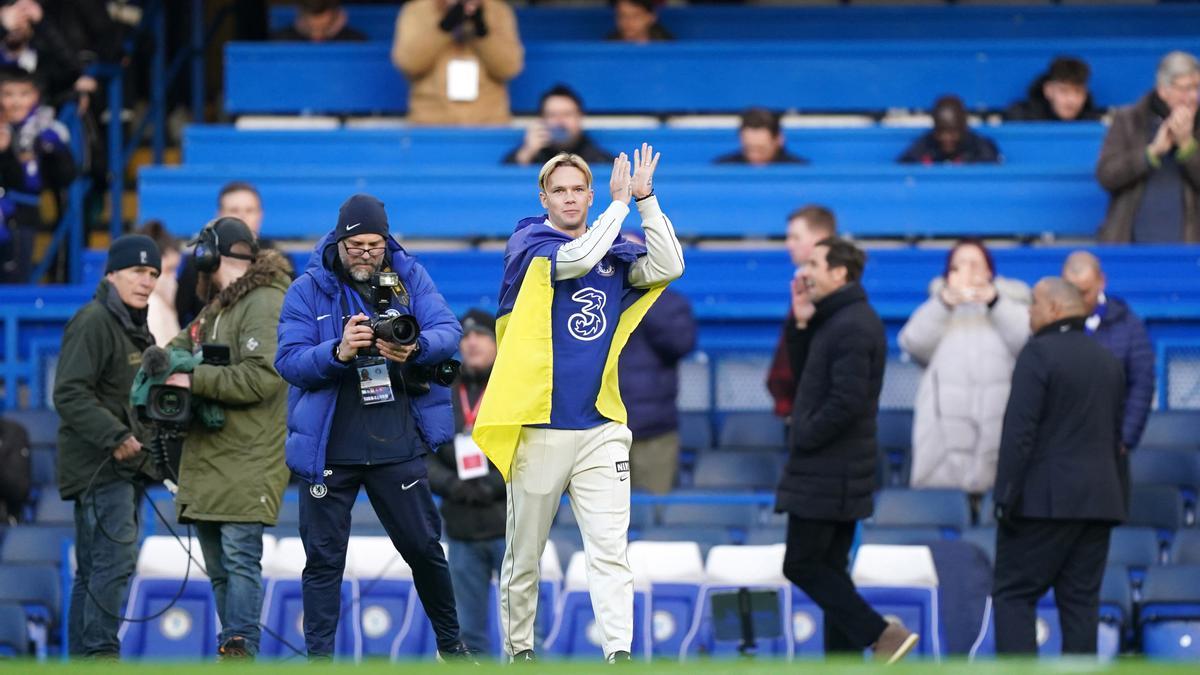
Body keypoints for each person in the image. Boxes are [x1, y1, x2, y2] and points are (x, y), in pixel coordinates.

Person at [472, 145, 684, 663]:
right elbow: (577, 258)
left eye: (577, 189)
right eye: (559, 190)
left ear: (588, 194)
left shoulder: (614, 250)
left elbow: (669, 265)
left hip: (599, 427)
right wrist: (618, 208)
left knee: (610, 550)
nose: (569, 198)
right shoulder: (530, 240)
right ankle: (520, 650)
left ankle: (619, 654)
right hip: (539, 425)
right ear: (543, 197)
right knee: (524, 556)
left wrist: (646, 200)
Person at [274, 193, 472, 660]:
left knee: (425, 548)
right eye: (357, 245)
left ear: (386, 240)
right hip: (329, 447)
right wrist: (337, 352)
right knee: (323, 562)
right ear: (339, 241)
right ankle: (320, 661)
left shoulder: (408, 276)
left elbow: (449, 328)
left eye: (375, 244)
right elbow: (288, 360)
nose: (366, 253)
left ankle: (452, 647)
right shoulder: (307, 288)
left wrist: (415, 347)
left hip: (394, 438)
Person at [775, 237, 919, 663]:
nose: (805, 271)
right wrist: (800, 324)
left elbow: (846, 401)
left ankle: (882, 634)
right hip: (831, 470)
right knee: (832, 571)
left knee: (801, 565)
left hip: (830, 472)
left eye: (815, 263)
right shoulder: (834, 319)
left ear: (840, 272)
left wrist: (803, 433)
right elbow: (808, 381)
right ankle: (843, 664)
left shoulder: (854, 324)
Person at [162, 217, 292, 659]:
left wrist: (192, 376)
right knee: (219, 568)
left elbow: (261, 379)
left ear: (209, 253)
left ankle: (240, 649)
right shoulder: (218, 306)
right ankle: (231, 649)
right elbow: (175, 349)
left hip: (248, 458)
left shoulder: (265, 301)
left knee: (238, 562)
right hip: (210, 458)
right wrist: (179, 368)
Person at [992, 278, 1126, 656]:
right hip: (1099, 503)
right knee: (1081, 605)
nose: (1029, 313)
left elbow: (1019, 433)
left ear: (1053, 309)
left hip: (1041, 504)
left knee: (1014, 596)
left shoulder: (1038, 354)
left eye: (1033, 304)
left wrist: (1005, 497)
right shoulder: (1108, 360)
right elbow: (1115, 438)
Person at [53, 234, 161, 657]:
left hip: (120, 469)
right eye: (137, 271)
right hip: (100, 467)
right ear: (112, 273)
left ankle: (84, 659)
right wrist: (115, 436)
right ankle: (100, 656)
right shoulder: (95, 320)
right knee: (113, 562)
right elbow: (69, 393)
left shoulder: (131, 324)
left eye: (153, 273)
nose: (146, 281)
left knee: (94, 569)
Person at [899, 240, 1031, 499]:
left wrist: (995, 303)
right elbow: (913, 343)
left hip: (998, 429)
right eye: (958, 266)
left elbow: (1027, 343)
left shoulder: (1013, 305)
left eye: (975, 265)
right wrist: (944, 304)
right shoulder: (936, 307)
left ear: (990, 271)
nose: (968, 272)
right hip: (943, 436)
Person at [425, 308, 507, 656]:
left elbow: (532, 448)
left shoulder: (514, 386)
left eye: (481, 335)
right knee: (467, 635)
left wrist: (494, 483)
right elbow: (424, 450)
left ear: (497, 342)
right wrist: (451, 485)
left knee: (526, 631)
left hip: (512, 525)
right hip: (460, 526)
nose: (472, 342)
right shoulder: (443, 389)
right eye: (466, 336)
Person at [618, 230, 696, 494]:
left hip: (654, 433)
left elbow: (681, 344)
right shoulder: (596, 301)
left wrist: (647, 297)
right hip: (603, 432)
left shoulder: (669, 303)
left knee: (656, 513)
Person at [1096, 50, 1200, 243]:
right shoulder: (1128, 120)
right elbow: (1106, 176)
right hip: (1130, 242)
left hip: (1191, 251)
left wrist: (1187, 146)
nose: (1193, 96)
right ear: (1163, 90)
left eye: (1197, 88)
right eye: (1185, 89)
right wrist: (1151, 153)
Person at [1062, 251, 1155, 453]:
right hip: (1061, 449)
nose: (1079, 299)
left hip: (1109, 446)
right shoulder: (1051, 325)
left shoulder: (1128, 324)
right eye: (1072, 291)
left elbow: (1142, 383)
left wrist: (1125, 437)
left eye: (1085, 292)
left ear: (1101, 282)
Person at [391, 0, 524, 126]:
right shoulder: (416, 10)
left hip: (488, 123)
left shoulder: (498, 11)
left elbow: (509, 68)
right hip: (430, 122)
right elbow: (408, 63)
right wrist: (444, 27)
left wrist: (482, 31)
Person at [0, 67, 75, 283]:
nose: (15, 102)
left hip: (22, 220)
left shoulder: (47, 130)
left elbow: (65, 176)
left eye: (23, 94)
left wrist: (52, 150)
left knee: (14, 287)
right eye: (8, 94)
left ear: (36, 96)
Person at [766, 205, 836, 420]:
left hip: (815, 418)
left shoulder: (829, 295)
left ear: (821, 239)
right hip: (800, 412)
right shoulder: (804, 287)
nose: (789, 244)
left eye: (796, 237)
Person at [176, 181, 270, 326]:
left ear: (260, 215)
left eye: (249, 210)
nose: (242, 217)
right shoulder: (200, 262)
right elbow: (178, 316)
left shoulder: (278, 263)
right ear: (219, 215)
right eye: (234, 210)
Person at [503, 84, 613, 168]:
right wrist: (527, 153)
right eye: (552, 115)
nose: (560, 122)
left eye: (567, 114)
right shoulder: (530, 155)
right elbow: (504, 182)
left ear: (579, 118)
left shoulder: (599, 158)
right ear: (542, 120)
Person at [898, 95, 1000, 165]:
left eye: (952, 133)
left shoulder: (981, 148)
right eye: (941, 132)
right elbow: (906, 167)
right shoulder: (924, 145)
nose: (946, 138)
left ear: (963, 128)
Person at [1005, 56, 1103, 122]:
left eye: (1078, 92)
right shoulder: (1022, 119)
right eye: (1064, 91)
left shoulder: (1094, 122)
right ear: (1048, 91)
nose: (1072, 100)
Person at [138, 220, 181, 347]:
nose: (173, 277)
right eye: (169, 270)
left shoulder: (163, 304)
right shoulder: (152, 307)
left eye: (175, 270)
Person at [714, 107, 807, 166]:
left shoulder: (798, 171)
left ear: (779, 140)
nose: (754, 156)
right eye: (749, 149)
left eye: (761, 149)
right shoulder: (724, 169)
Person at [270, 0, 367, 42]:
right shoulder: (279, 44)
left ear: (340, 19)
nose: (316, 37)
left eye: (325, 29)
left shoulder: (356, 44)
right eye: (309, 29)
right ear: (299, 17)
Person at [607, 0, 673, 44]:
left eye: (635, 16)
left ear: (651, 17)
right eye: (622, 16)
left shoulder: (667, 44)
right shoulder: (608, 46)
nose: (627, 22)